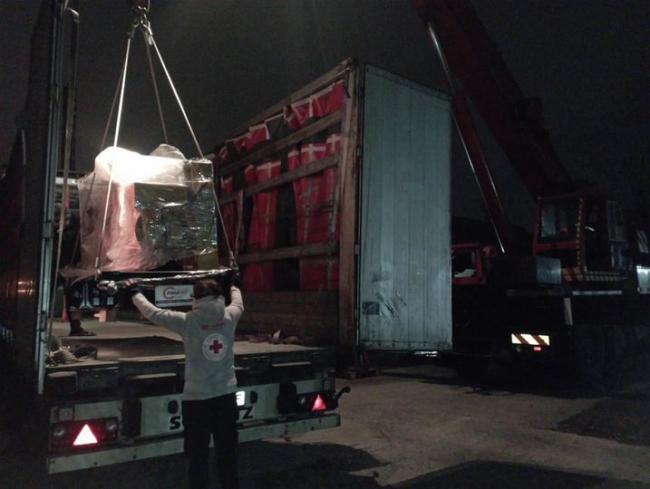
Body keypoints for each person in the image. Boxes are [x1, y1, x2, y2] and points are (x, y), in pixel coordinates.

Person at [127, 276, 244, 489]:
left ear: (195, 298)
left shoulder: (187, 321)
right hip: (226, 396)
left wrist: (135, 293)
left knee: (197, 457)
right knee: (227, 454)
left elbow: (154, 313)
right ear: (219, 297)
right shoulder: (230, 315)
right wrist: (234, 285)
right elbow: (238, 303)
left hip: (197, 400)